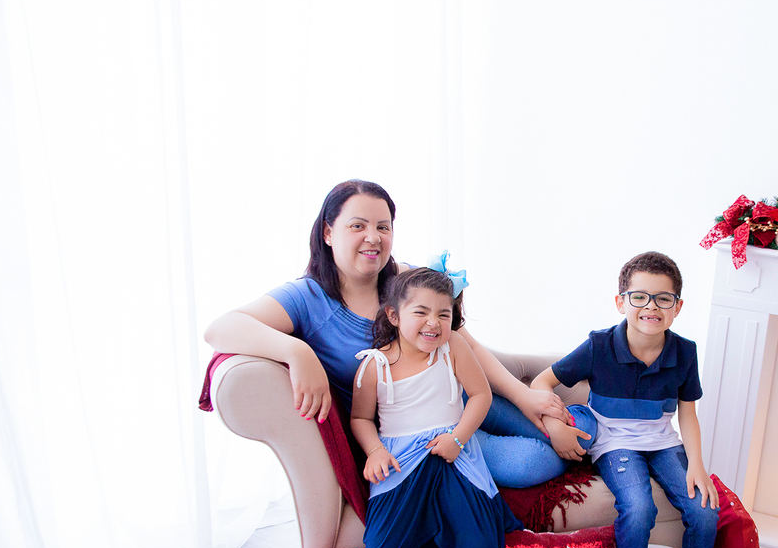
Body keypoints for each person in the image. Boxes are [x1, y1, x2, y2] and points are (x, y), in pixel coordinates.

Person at [203, 178, 584, 486]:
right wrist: (297, 352)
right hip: (419, 433)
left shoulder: (404, 278)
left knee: (581, 428)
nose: (373, 238)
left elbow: (465, 345)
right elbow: (219, 329)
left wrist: (524, 396)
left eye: (383, 227)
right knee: (537, 461)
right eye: (358, 226)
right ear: (328, 233)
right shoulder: (306, 298)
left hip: (471, 400)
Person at [531, 252, 730, 548]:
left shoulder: (685, 352)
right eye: (639, 297)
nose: (650, 308)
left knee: (704, 508)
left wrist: (698, 465)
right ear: (621, 302)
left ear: (678, 307)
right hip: (613, 444)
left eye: (663, 299)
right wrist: (555, 426)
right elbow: (541, 381)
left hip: (663, 442)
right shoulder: (599, 345)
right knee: (638, 509)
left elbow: (688, 415)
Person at [351, 268, 521, 548]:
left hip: (453, 449)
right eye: (421, 312)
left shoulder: (453, 348)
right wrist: (375, 450)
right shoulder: (374, 366)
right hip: (401, 461)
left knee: (480, 542)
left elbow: (480, 396)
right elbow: (360, 418)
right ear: (394, 315)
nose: (434, 323)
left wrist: (458, 438)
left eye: (444, 315)